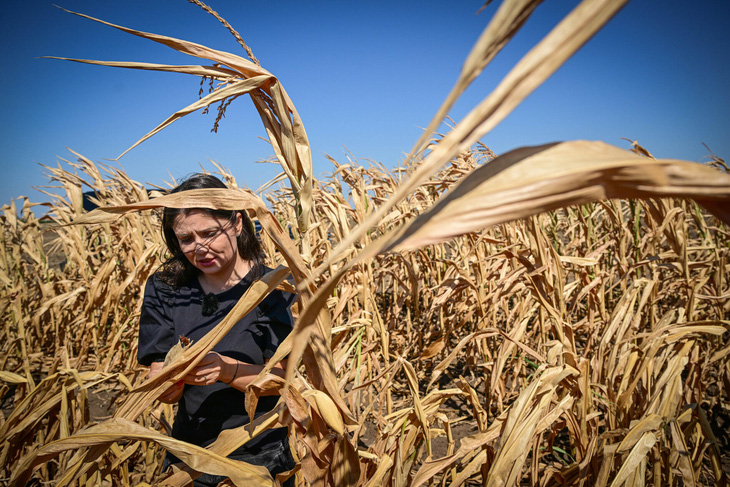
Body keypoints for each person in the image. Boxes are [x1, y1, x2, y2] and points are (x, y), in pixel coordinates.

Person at [137, 173, 297, 487]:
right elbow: (162, 381)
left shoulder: (274, 289)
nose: (199, 248)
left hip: (259, 452)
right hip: (189, 451)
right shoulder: (165, 287)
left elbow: (284, 381)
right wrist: (168, 383)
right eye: (186, 239)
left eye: (209, 233)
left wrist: (225, 369)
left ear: (237, 223)